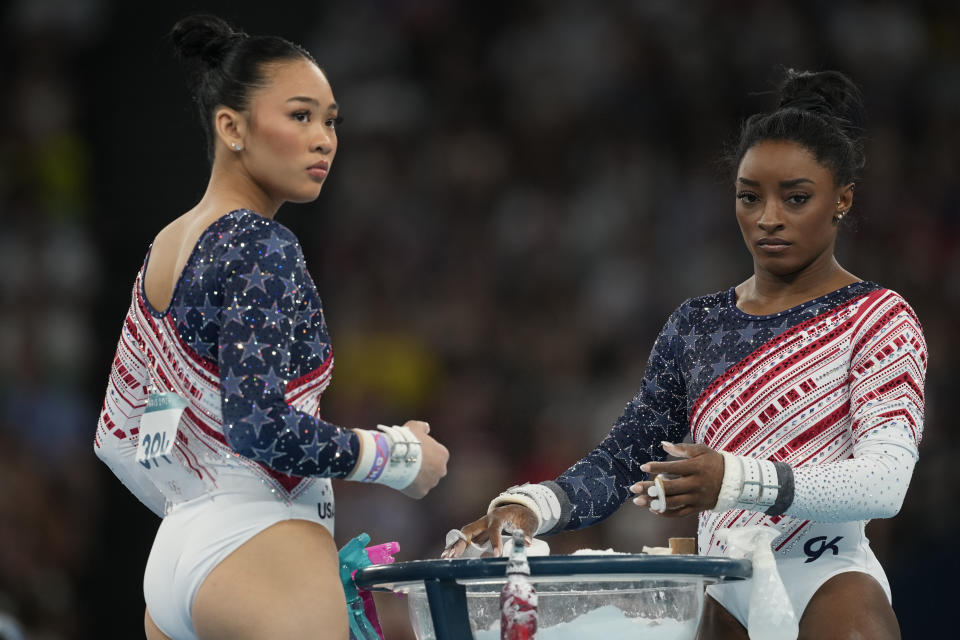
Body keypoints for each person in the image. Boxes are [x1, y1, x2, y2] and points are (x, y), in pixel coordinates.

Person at [442, 69, 925, 640]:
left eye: (796, 198)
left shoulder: (877, 317)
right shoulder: (697, 325)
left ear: (842, 198)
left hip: (825, 578)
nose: (769, 218)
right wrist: (528, 506)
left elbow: (885, 483)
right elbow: (623, 459)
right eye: (750, 197)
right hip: (717, 586)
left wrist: (734, 479)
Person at [93, 15, 449, 640]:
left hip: (175, 558)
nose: (324, 140)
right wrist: (398, 456)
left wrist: (199, 505)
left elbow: (119, 438)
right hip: (258, 545)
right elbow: (259, 426)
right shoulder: (260, 245)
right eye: (300, 116)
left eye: (331, 120)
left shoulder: (166, 246)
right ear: (231, 127)